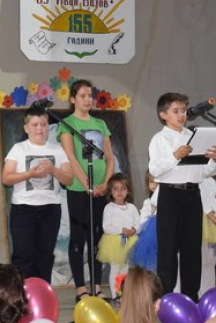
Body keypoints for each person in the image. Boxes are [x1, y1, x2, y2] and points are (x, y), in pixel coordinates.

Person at [148, 92, 216, 300]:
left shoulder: (192, 135)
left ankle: (191, 297)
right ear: (163, 115)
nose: (181, 115)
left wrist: (214, 160)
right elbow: (155, 170)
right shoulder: (159, 139)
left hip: (193, 195)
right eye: (176, 111)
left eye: (184, 111)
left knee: (192, 250)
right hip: (170, 195)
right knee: (168, 251)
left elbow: (204, 172)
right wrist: (175, 156)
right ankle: (166, 298)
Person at [57, 79, 115, 301]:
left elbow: (109, 158)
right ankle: (81, 288)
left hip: (100, 189)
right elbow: (71, 157)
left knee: (97, 238)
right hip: (79, 189)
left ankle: (97, 287)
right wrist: (86, 184)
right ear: (73, 99)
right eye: (82, 95)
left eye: (90, 95)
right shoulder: (67, 124)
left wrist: (105, 183)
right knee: (78, 237)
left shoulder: (100, 124)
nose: (88, 99)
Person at [1, 107, 73, 282]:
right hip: (23, 208)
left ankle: (42, 292)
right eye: (35, 125)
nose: (40, 128)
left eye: (44, 124)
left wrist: (53, 169)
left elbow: (69, 179)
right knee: (22, 254)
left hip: (50, 209)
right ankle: (22, 292)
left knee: (45, 254)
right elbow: (6, 178)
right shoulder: (18, 149)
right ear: (26, 128)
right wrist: (29, 174)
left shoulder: (58, 150)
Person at [98, 173, 140, 301]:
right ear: (111, 192)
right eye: (116, 189)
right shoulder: (109, 208)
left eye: (123, 188)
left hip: (129, 241)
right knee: (115, 268)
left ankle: (123, 294)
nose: (119, 192)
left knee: (126, 269)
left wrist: (133, 230)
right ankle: (115, 294)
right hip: (115, 241)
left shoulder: (132, 208)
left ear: (128, 191)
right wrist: (121, 230)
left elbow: (138, 223)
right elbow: (106, 227)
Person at [129, 171, 159, 273]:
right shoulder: (147, 202)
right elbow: (142, 220)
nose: (154, 185)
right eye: (151, 181)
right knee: (150, 264)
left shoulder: (167, 201)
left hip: (164, 234)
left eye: (157, 182)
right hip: (150, 238)